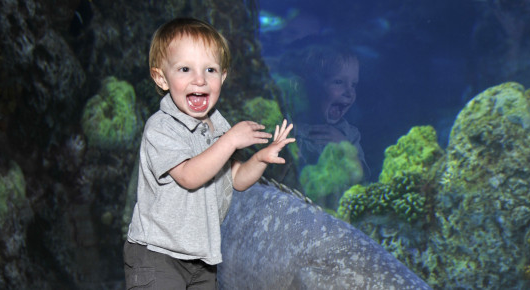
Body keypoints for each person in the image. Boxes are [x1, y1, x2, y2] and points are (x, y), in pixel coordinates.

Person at [124, 18, 295, 289]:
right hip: (158, 254)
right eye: (184, 69)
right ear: (161, 77)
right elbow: (190, 175)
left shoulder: (216, 123)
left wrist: (260, 158)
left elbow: (236, 178)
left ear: (223, 77)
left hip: (203, 257)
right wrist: (229, 141)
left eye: (210, 70)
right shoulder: (161, 127)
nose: (200, 79)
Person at [277, 42, 370, 208]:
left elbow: (362, 179)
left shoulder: (349, 134)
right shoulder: (289, 126)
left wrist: (345, 147)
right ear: (313, 86)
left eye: (354, 84)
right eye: (339, 82)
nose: (349, 92)